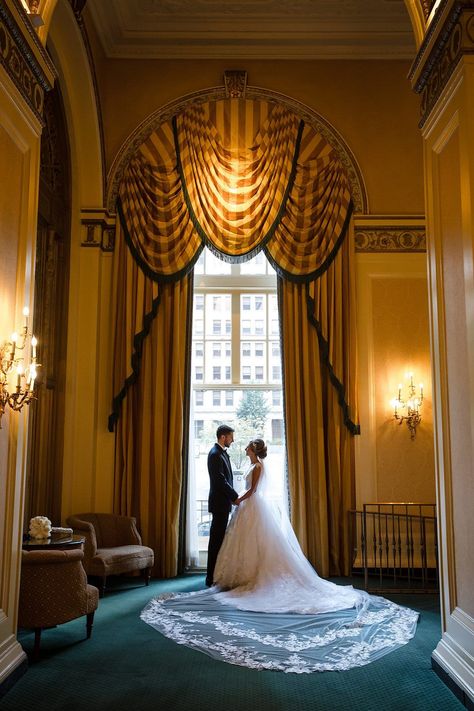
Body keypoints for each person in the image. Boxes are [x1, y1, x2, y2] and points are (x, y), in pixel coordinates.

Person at [141, 438, 419, 672]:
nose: (246, 448)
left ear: (254, 450)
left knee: (259, 546)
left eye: (249, 446)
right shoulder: (252, 464)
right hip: (247, 509)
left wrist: (239, 499)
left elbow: (253, 489)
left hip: (252, 507)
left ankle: (255, 576)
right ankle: (241, 576)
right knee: (246, 545)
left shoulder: (258, 467)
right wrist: (239, 500)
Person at [205, 424, 239, 587]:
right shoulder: (215, 455)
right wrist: (234, 496)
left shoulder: (221, 454)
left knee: (219, 539)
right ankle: (210, 578)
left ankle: (216, 574)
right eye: (231, 437)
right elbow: (220, 481)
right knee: (216, 540)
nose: (233, 440)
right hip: (219, 504)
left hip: (224, 503)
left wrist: (232, 498)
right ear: (223, 437)